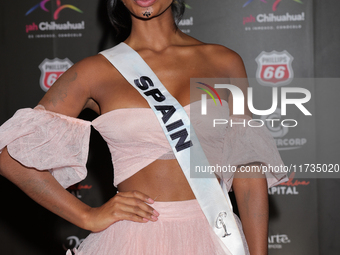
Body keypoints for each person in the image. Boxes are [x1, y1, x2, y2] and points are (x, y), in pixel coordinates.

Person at [0, 0, 287, 254]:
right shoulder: (93, 72)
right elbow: (9, 157)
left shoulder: (224, 63)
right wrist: (87, 216)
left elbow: (248, 172)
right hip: (133, 239)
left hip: (215, 234)